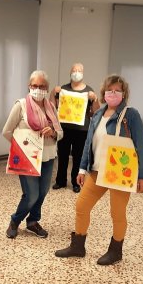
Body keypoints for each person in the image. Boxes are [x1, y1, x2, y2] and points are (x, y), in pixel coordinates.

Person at [55, 75, 143, 265]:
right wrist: (82, 169)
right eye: (109, 90)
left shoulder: (131, 115)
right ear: (103, 92)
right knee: (81, 206)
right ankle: (78, 246)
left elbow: (142, 146)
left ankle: (116, 251)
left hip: (119, 173)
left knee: (117, 213)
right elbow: (89, 144)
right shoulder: (98, 114)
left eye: (117, 90)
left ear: (124, 94)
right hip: (97, 171)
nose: (113, 93)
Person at [2, 70, 63, 239]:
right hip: (27, 158)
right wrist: (21, 148)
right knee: (32, 195)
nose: (38, 89)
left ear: (47, 88)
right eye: (34, 86)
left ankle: (33, 222)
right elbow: (7, 131)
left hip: (48, 156)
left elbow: (60, 131)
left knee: (42, 192)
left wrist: (53, 132)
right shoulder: (20, 105)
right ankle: (15, 221)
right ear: (29, 86)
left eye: (42, 86)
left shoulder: (51, 106)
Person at [51, 63, 100, 193]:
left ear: (83, 73)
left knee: (78, 157)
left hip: (82, 131)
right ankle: (60, 181)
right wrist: (53, 93)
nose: (76, 73)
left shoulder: (88, 91)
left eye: (79, 70)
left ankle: (76, 182)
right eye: (74, 70)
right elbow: (53, 106)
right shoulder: (62, 89)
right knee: (62, 155)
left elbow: (95, 112)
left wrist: (95, 99)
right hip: (64, 129)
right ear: (70, 72)